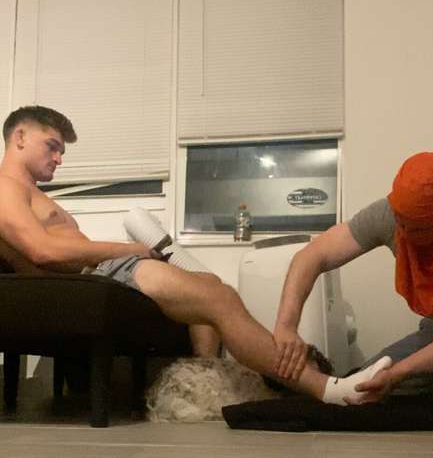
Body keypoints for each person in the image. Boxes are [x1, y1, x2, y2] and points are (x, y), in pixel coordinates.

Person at [0, 104, 388, 405]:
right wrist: (130, 249)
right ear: (19, 137)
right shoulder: (6, 188)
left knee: (211, 284)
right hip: (101, 272)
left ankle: (205, 383)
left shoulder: (29, 192)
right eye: (52, 146)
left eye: (61, 150)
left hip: (103, 272)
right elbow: (42, 250)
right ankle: (327, 389)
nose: (59, 158)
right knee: (220, 298)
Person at [273, 149, 433, 414]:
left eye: (415, 228)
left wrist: (399, 372)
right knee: (362, 386)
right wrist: (286, 327)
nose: (403, 232)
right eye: (400, 221)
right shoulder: (393, 213)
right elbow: (312, 256)